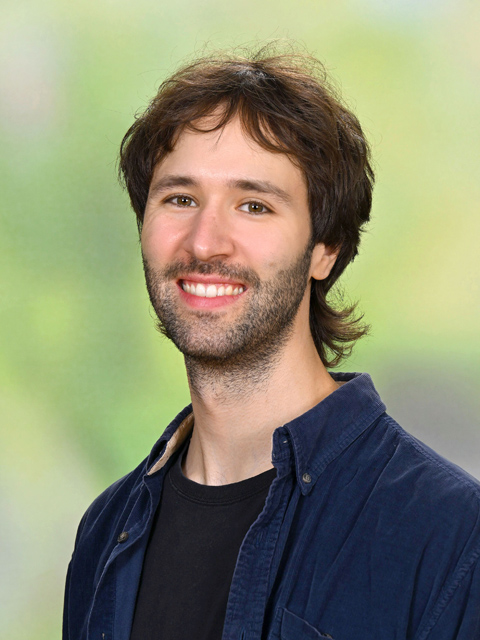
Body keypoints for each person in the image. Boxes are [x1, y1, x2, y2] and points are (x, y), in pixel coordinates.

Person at [63, 47, 480, 640]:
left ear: (325, 250)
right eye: (180, 198)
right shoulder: (106, 532)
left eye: (253, 206)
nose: (204, 242)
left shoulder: (451, 536)